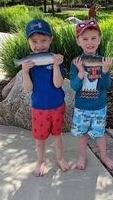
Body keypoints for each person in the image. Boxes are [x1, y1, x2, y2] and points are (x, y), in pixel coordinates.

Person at [22, 19, 70, 176]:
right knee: (39, 139)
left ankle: (59, 158)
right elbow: (28, 88)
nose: (39, 44)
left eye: (43, 40)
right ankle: (41, 161)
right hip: (39, 108)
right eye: (34, 41)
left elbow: (57, 84)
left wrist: (56, 66)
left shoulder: (55, 59)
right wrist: (24, 72)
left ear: (51, 40)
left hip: (56, 105)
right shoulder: (29, 63)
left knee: (57, 135)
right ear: (28, 42)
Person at [70, 19, 113, 170]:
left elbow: (106, 85)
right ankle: (82, 158)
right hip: (81, 108)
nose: (89, 42)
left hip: (98, 107)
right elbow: (74, 86)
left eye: (93, 38)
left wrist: (105, 71)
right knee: (82, 135)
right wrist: (79, 73)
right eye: (85, 39)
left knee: (99, 134)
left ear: (99, 39)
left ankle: (104, 157)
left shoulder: (103, 61)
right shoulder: (76, 62)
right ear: (78, 41)